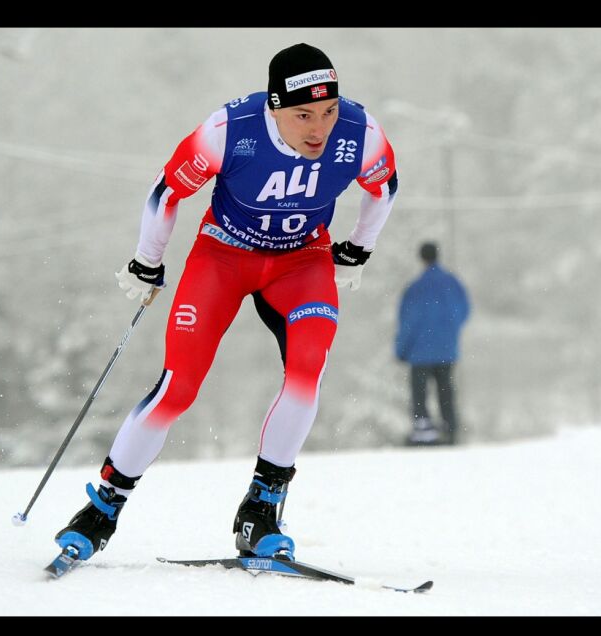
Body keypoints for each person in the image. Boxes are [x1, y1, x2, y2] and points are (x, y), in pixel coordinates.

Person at [54, 43, 398, 562]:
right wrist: (148, 261)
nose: (318, 130)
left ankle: (261, 510)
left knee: (308, 373)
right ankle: (104, 506)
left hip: (301, 263)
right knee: (179, 388)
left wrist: (358, 249)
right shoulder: (228, 131)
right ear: (273, 106)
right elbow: (166, 192)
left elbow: (385, 186)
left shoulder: (360, 133)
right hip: (223, 257)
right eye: (303, 115)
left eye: (327, 113)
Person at [395, 242, 470, 446]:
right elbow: (464, 311)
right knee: (445, 389)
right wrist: (449, 333)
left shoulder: (415, 288)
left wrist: (401, 350)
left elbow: (407, 322)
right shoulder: (453, 283)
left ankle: (423, 429)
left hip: (419, 351)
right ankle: (450, 428)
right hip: (446, 348)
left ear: (421, 258)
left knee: (419, 392)